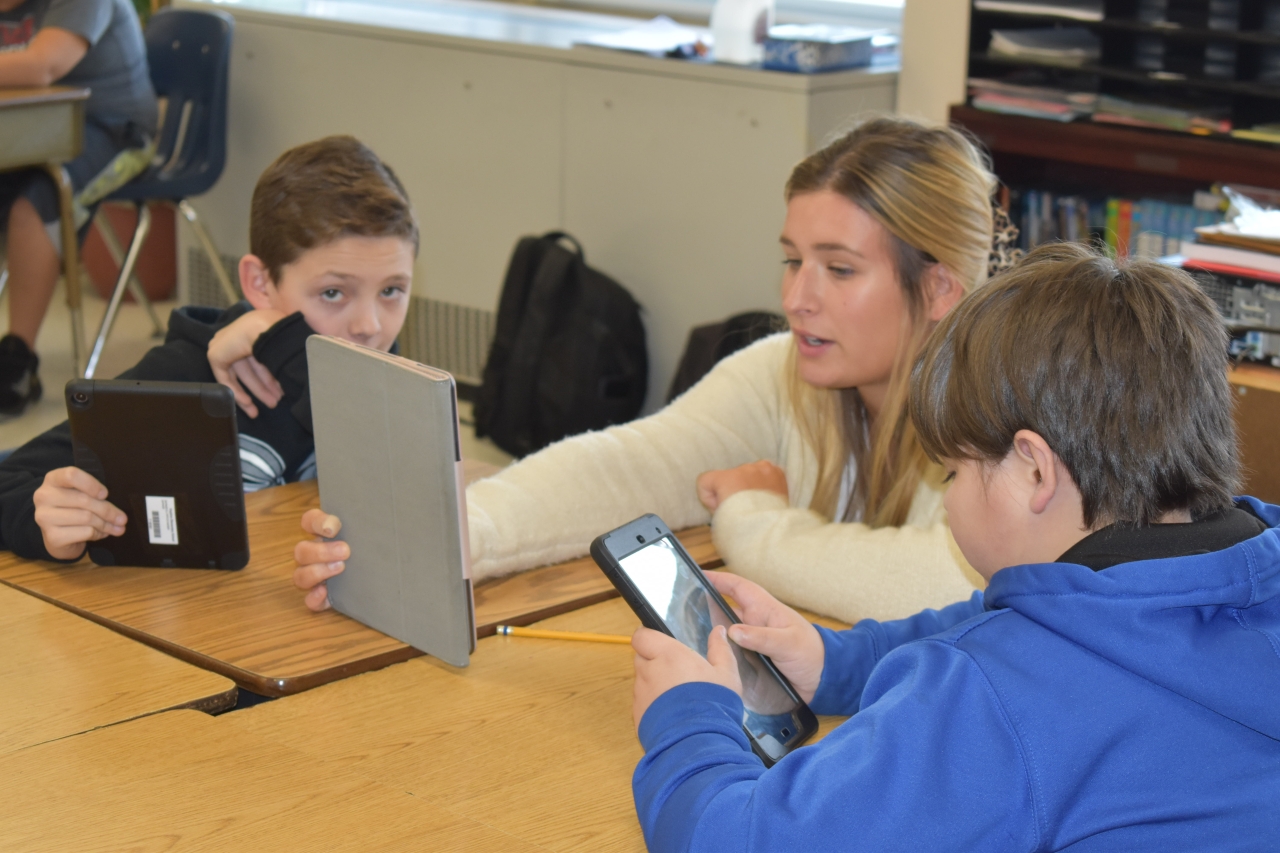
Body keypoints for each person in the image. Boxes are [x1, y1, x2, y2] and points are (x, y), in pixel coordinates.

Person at [627, 243, 1280, 851]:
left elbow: (740, 839)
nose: (948, 497)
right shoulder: (1242, 573)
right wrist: (834, 659)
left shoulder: (996, 697)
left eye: (952, 472)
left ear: (1034, 472)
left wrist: (686, 718)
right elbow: (1023, 617)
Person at [293, 116, 1002, 622]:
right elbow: (627, 469)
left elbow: (952, 584)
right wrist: (449, 539)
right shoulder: (786, 372)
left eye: (839, 270)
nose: (795, 298)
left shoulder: (1008, 412)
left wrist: (750, 519)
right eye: (792, 260)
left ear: (939, 287)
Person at [0, 135, 416, 562]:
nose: (370, 326)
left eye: (391, 290)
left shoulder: (390, 382)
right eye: (333, 292)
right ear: (260, 283)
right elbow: (10, 479)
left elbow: (413, 488)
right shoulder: (185, 375)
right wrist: (43, 518)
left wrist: (287, 346)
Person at [0, 0, 158, 414]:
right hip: (28, 130)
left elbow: (42, 66)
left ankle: (17, 361)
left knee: (36, 201)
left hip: (112, 130)